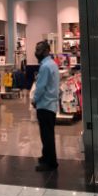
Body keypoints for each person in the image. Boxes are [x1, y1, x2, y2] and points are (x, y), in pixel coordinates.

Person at [32, 40, 60, 172]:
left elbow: (40, 87)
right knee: (47, 133)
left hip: (45, 105)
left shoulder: (45, 67)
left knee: (46, 135)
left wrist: (34, 100)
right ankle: (46, 156)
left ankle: (50, 162)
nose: (37, 53)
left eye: (39, 50)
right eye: (37, 50)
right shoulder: (52, 64)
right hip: (51, 105)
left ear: (47, 51)